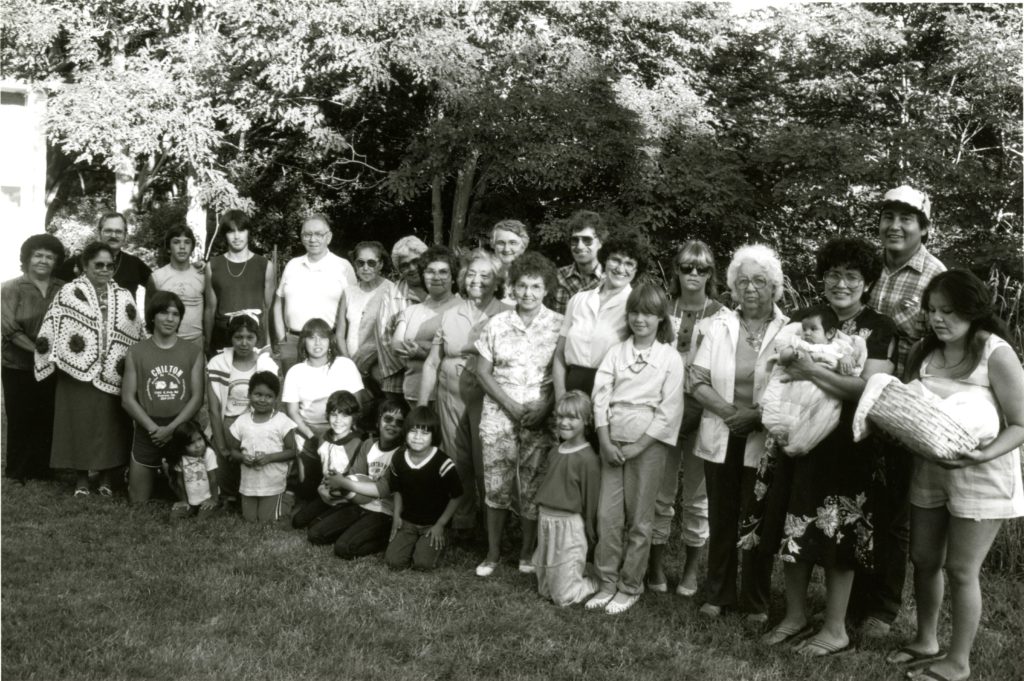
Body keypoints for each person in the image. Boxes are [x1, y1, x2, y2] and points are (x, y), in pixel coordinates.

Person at [749, 237, 896, 656]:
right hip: (795, 441)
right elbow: (779, 367)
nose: (842, 283)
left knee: (838, 536)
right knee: (791, 530)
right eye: (833, 274)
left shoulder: (879, 328)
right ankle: (795, 616)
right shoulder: (803, 318)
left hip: (846, 450)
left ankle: (835, 629)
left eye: (852, 275)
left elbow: (867, 389)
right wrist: (812, 372)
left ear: (866, 283)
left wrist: (810, 368)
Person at [886, 270, 1024, 681]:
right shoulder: (925, 353)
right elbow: (911, 408)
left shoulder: (994, 353)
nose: (937, 319)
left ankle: (957, 662)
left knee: (962, 570)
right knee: (924, 559)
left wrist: (976, 456)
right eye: (931, 310)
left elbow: (1019, 423)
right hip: (930, 469)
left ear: (972, 310)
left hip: (983, 473)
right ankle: (925, 640)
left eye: (948, 311)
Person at [856, 185, 947, 636]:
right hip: (857, 398)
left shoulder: (935, 277)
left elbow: (941, 346)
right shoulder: (868, 270)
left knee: (893, 512)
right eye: (888, 216)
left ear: (924, 227)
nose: (894, 225)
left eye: (906, 218)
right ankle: (853, 599)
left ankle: (883, 608)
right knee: (858, 502)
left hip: (903, 406)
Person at [690, 243, 790, 621]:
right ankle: (718, 594)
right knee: (722, 516)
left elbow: (793, 385)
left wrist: (757, 417)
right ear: (733, 287)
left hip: (764, 439)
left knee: (758, 519)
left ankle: (756, 601)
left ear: (774, 287)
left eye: (760, 281)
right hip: (722, 433)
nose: (750, 289)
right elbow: (696, 381)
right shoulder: (716, 326)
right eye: (743, 281)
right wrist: (733, 414)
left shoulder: (790, 331)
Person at [585, 283, 685, 615]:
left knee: (641, 519)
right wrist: (605, 440)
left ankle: (631, 585)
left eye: (649, 313)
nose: (640, 319)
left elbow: (669, 410)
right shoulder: (616, 352)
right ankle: (607, 581)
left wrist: (639, 445)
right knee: (608, 517)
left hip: (648, 446)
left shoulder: (669, 358)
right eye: (635, 312)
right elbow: (601, 396)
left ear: (661, 318)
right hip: (613, 441)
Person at [474, 252, 564, 577]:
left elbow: (563, 372)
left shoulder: (558, 325)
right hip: (500, 415)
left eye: (535, 286)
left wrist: (546, 406)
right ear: (512, 288)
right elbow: (482, 371)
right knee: (496, 487)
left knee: (532, 489)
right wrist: (509, 405)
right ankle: (492, 554)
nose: (528, 293)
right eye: (522, 286)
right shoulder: (497, 324)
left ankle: (527, 553)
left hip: (541, 416)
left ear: (546, 289)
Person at [36, 241, 145, 496]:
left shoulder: (123, 296)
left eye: (110, 265)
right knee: (78, 425)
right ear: (85, 266)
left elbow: (135, 331)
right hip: (76, 370)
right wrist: (58, 358)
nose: (105, 269)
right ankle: (82, 479)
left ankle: (107, 477)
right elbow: (53, 326)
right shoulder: (69, 292)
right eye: (99, 265)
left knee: (110, 425)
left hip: (113, 371)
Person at [648, 240, 724, 596]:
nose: (694, 274)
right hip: (662, 411)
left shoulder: (724, 316)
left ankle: (692, 571)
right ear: (676, 270)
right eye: (687, 267)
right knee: (660, 493)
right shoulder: (662, 309)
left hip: (705, 414)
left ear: (711, 273)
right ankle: (656, 566)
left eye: (702, 268)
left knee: (697, 497)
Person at [418, 249, 510, 533]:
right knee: (457, 461)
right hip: (450, 395)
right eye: (471, 274)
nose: (477, 280)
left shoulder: (507, 315)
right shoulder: (450, 315)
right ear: (462, 279)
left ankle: (492, 527)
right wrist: (422, 407)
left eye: (485, 275)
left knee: (487, 462)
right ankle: (463, 522)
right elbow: (432, 362)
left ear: (497, 281)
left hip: (488, 397)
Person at [345, 407, 462, 571]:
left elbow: (457, 495)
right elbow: (397, 489)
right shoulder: (399, 458)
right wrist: (397, 516)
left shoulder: (442, 462)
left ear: (433, 435)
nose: (418, 438)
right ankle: (412, 541)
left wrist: (441, 525)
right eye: (413, 431)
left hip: (432, 523)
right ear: (405, 432)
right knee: (394, 562)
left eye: (424, 433)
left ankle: (439, 540)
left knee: (422, 564)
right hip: (408, 521)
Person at [122, 291, 206, 504]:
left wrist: (171, 429)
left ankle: (171, 475)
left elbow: (197, 398)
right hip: (148, 430)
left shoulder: (193, 351)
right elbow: (128, 399)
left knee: (196, 498)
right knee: (137, 500)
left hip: (182, 429)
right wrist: (153, 429)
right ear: (152, 316)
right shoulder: (136, 352)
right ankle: (158, 475)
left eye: (175, 314)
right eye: (164, 313)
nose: (170, 319)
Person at [760, 307, 867, 456]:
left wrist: (845, 359)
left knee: (819, 420)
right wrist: (792, 353)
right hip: (794, 388)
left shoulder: (838, 347)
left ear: (829, 333)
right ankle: (781, 433)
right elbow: (781, 357)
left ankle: (800, 444)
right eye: (804, 329)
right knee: (783, 413)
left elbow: (851, 367)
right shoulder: (798, 343)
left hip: (821, 394)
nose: (807, 333)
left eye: (813, 329)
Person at [310, 398, 410, 559]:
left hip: (385, 512)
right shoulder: (369, 444)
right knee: (316, 534)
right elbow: (356, 475)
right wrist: (335, 486)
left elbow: (383, 489)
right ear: (378, 421)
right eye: (388, 419)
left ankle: (385, 540)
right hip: (361, 504)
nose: (392, 425)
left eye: (399, 422)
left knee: (344, 549)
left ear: (404, 428)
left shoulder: (402, 453)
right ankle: (353, 530)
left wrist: (343, 483)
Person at [2, 234, 65, 482]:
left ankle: (42, 468)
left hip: (52, 365)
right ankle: (16, 470)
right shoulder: (10, 288)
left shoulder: (63, 288)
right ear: (27, 258)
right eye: (38, 255)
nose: (43, 260)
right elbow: (9, 329)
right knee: (20, 416)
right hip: (18, 364)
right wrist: (39, 351)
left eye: (50, 257)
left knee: (46, 415)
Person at [553, 234, 645, 400]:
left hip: (611, 392)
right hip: (570, 390)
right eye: (615, 260)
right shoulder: (578, 300)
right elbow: (559, 354)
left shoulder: (636, 306)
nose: (621, 268)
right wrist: (560, 396)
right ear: (605, 261)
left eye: (629, 264)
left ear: (636, 271)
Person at [532, 390, 601, 606]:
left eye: (572, 418)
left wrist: (591, 532)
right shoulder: (555, 451)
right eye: (560, 417)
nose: (564, 423)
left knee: (563, 597)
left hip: (569, 526)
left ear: (587, 421)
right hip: (546, 522)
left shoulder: (588, 459)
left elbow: (591, 499)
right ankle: (573, 574)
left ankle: (596, 582)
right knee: (545, 591)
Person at [206, 314, 280, 505]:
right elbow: (214, 409)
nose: (244, 343)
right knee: (227, 481)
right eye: (238, 337)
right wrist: (221, 446)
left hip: (257, 425)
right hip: (228, 424)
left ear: (257, 339)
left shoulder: (267, 365)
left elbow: (274, 404)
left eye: (250, 337)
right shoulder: (217, 363)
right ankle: (229, 493)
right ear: (231, 338)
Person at [272, 214, 357, 372]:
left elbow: (354, 311)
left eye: (318, 234)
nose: (312, 239)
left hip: (328, 344)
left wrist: (342, 345)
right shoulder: (292, 265)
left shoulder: (343, 267)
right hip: (292, 343)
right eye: (307, 234)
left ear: (329, 237)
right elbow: (278, 303)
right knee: (292, 394)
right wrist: (282, 340)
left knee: (327, 393)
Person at [392, 245, 461, 405]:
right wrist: (432, 347)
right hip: (413, 393)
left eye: (443, 272)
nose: (436, 277)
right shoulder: (411, 311)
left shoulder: (462, 309)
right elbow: (395, 346)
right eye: (430, 271)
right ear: (423, 276)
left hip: (447, 396)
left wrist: (420, 349)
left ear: (453, 277)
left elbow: (457, 351)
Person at [281, 318, 365, 451]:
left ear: (330, 340)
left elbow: (357, 405)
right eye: (312, 338)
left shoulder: (345, 365)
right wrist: (311, 436)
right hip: (307, 432)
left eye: (322, 337)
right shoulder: (295, 372)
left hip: (343, 430)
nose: (317, 343)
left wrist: (341, 435)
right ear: (303, 341)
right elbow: (292, 412)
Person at [226, 371, 299, 522]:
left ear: (275, 399)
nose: (262, 400)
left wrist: (269, 458)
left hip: (273, 482)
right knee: (250, 519)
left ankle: (288, 498)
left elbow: (292, 451)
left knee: (267, 519)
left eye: (268, 396)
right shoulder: (242, 421)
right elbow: (233, 450)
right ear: (249, 394)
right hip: (249, 483)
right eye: (258, 394)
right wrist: (243, 458)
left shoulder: (281, 421)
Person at [291, 391, 365, 531]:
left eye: (345, 415)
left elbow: (358, 479)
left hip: (346, 499)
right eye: (334, 414)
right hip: (326, 493)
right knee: (298, 521)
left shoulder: (357, 443)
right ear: (327, 415)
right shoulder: (323, 438)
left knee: (315, 527)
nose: (338, 420)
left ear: (353, 418)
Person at [204, 209, 275, 353]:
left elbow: (270, 308)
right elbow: (210, 309)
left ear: (248, 232)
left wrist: (268, 344)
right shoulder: (212, 266)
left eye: (241, 230)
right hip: (222, 340)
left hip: (254, 339)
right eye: (231, 231)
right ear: (225, 235)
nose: (236, 236)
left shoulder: (265, 265)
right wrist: (206, 343)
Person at [375, 235, 428, 401]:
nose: (411, 268)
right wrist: (414, 364)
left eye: (416, 262)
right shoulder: (391, 295)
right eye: (405, 265)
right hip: (399, 376)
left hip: (434, 375)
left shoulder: (440, 288)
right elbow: (384, 339)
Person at [55, 212, 151, 300]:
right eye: (108, 231)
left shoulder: (135, 264)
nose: (113, 235)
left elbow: (158, 289)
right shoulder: (75, 262)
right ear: (99, 233)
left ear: (125, 235)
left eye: (118, 232)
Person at [335, 241, 394, 382]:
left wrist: (365, 362)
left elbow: (391, 335)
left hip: (379, 366)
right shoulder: (348, 292)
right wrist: (349, 363)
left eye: (371, 263)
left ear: (380, 264)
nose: (365, 268)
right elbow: (340, 334)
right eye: (360, 263)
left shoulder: (391, 290)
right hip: (350, 364)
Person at [147, 226, 204, 346]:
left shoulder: (202, 275)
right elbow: (149, 314)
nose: (182, 247)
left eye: (187, 242)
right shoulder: (157, 277)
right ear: (168, 248)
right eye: (176, 242)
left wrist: (207, 340)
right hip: (165, 343)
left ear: (192, 247)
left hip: (196, 343)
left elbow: (209, 311)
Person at [551, 210, 605, 315]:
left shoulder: (609, 280)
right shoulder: (556, 277)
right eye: (575, 240)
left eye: (587, 240)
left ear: (600, 242)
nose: (580, 246)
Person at [167, 421, 220, 518]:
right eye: (192, 443)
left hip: (207, 498)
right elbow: (179, 481)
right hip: (190, 500)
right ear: (182, 446)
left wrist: (214, 499)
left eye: (199, 439)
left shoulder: (208, 453)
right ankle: (191, 508)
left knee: (201, 519)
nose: (198, 445)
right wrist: (184, 501)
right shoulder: (180, 458)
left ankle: (215, 506)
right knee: (174, 517)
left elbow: (213, 479)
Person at [489, 219, 530, 285]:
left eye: (513, 243)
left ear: (523, 246)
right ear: (493, 245)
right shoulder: (482, 276)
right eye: (501, 243)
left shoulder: (534, 277)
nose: (506, 249)